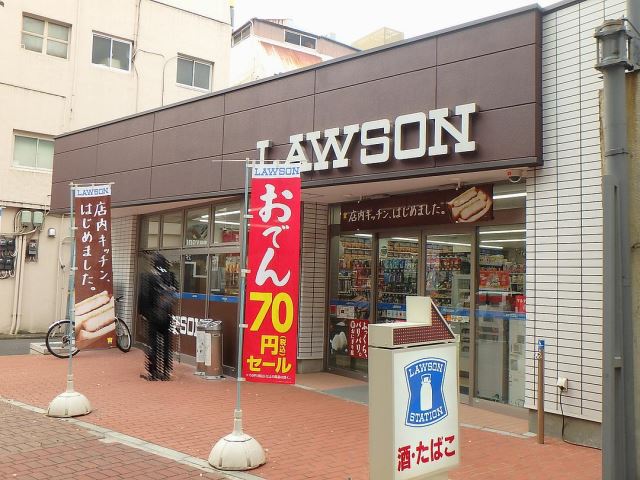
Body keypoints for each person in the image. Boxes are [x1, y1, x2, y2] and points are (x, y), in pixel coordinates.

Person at [138, 252, 177, 380]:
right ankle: (166, 371)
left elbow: (143, 296)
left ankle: (153, 372)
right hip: (166, 315)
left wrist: (143, 313)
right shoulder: (170, 276)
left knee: (153, 344)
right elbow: (174, 294)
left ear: (154, 263)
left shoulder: (148, 276)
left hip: (152, 316)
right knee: (167, 344)